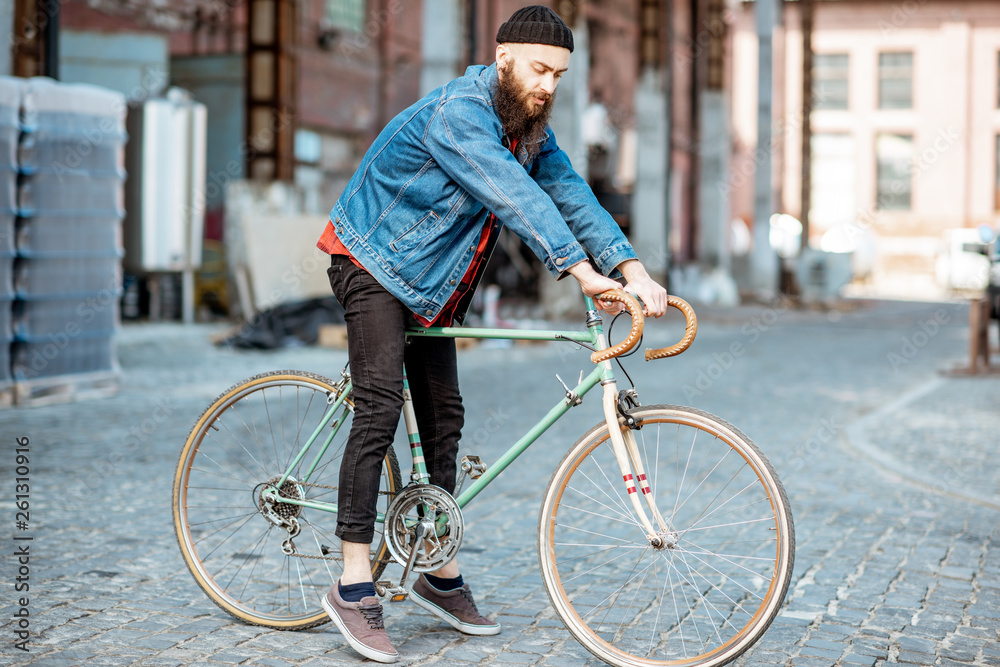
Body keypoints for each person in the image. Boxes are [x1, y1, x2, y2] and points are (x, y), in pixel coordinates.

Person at [316, 5, 668, 663]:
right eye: (540, 69)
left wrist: (635, 270)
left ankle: (435, 570)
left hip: (426, 284)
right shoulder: (460, 113)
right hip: (371, 260)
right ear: (504, 55)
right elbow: (513, 194)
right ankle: (353, 581)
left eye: (560, 75)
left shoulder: (530, 129)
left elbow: (570, 195)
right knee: (381, 408)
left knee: (444, 415)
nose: (549, 85)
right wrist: (576, 268)